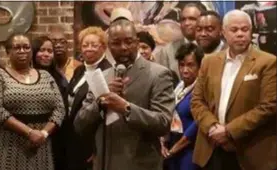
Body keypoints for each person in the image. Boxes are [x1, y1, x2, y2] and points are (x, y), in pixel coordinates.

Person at [74, 19, 175, 170]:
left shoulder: (158, 74)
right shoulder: (102, 76)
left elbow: (163, 123)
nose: (123, 48)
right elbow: (79, 124)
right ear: (109, 46)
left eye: (129, 42)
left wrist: (126, 108)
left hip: (140, 164)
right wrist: (100, 103)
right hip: (104, 163)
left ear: (137, 42)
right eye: (116, 43)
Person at [191, 10, 276, 170]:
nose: (240, 34)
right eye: (234, 29)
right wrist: (212, 127)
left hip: (250, 150)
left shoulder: (267, 62)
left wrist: (229, 131)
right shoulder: (209, 61)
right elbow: (197, 100)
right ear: (223, 32)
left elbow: (269, 106)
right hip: (211, 147)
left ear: (251, 32)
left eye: (245, 30)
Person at [0, 33, 66, 170]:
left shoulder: (45, 76)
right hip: (10, 146)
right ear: (8, 51)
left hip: (41, 146)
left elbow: (60, 108)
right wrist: (29, 132)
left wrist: (43, 134)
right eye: (17, 47)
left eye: (26, 47)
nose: (22, 51)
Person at [66, 26, 112, 170]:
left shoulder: (108, 71)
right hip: (73, 137)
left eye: (94, 45)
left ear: (103, 47)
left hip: (91, 142)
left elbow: (104, 113)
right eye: (85, 45)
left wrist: (95, 146)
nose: (89, 49)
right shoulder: (80, 70)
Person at [160, 43, 203, 170]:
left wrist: (175, 148)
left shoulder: (202, 90)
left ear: (200, 66)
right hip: (171, 148)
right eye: (182, 65)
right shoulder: (178, 87)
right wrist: (162, 143)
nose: (185, 70)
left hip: (189, 152)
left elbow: (197, 125)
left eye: (190, 65)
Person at [32, 36, 69, 170]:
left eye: (49, 51)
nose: (46, 54)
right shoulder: (25, 75)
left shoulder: (59, 78)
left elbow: (63, 108)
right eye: (42, 50)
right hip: (30, 133)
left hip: (56, 135)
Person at [154, 3, 206, 78]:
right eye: (183, 19)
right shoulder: (167, 51)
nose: (186, 23)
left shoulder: (211, 47)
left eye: (192, 19)